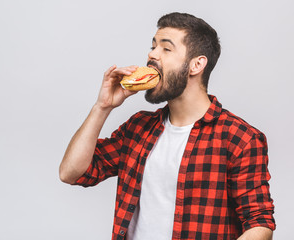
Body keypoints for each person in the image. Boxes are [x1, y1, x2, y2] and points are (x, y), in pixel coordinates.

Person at [59, 12, 275, 240]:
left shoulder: (239, 138)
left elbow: (259, 225)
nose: (151, 55)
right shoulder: (138, 128)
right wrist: (102, 107)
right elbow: (71, 173)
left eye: (166, 48)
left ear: (196, 65)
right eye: (153, 46)